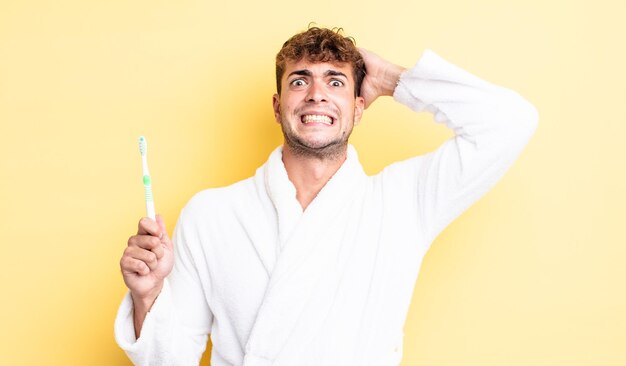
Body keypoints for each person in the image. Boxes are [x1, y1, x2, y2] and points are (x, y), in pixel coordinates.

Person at [115, 26, 538, 366]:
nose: (316, 93)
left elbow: (511, 122)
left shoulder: (403, 203)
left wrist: (393, 80)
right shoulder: (211, 214)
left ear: (358, 105)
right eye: (300, 81)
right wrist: (147, 297)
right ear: (278, 105)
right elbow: (167, 361)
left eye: (334, 81)